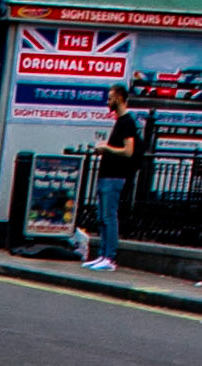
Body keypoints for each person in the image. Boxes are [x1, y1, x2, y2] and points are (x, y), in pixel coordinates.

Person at [86, 84, 137, 272]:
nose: (107, 102)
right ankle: (102, 254)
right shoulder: (120, 121)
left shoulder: (127, 122)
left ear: (119, 98)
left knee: (109, 216)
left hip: (115, 177)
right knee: (102, 216)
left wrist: (106, 148)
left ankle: (110, 257)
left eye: (110, 98)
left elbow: (128, 151)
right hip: (107, 175)